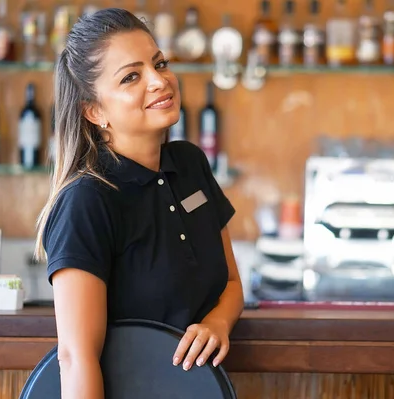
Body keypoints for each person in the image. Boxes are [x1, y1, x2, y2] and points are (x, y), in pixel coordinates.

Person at [34, 8, 244, 398]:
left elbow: (232, 284)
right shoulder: (87, 200)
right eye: (131, 76)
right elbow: (75, 357)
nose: (159, 80)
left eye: (159, 63)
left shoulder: (191, 163)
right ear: (94, 111)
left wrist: (217, 324)